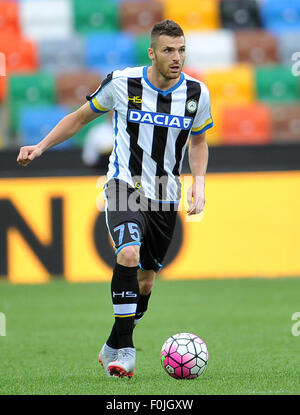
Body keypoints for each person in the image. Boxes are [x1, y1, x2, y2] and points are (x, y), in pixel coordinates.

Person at [17, 20, 213, 379]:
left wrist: (198, 183)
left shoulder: (198, 93)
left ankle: (113, 343)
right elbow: (79, 118)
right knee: (128, 253)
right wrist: (41, 146)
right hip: (124, 186)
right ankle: (126, 352)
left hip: (166, 197)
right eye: (168, 50)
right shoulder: (123, 83)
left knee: (146, 283)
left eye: (182, 49)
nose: (177, 57)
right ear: (151, 53)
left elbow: (199, 141)